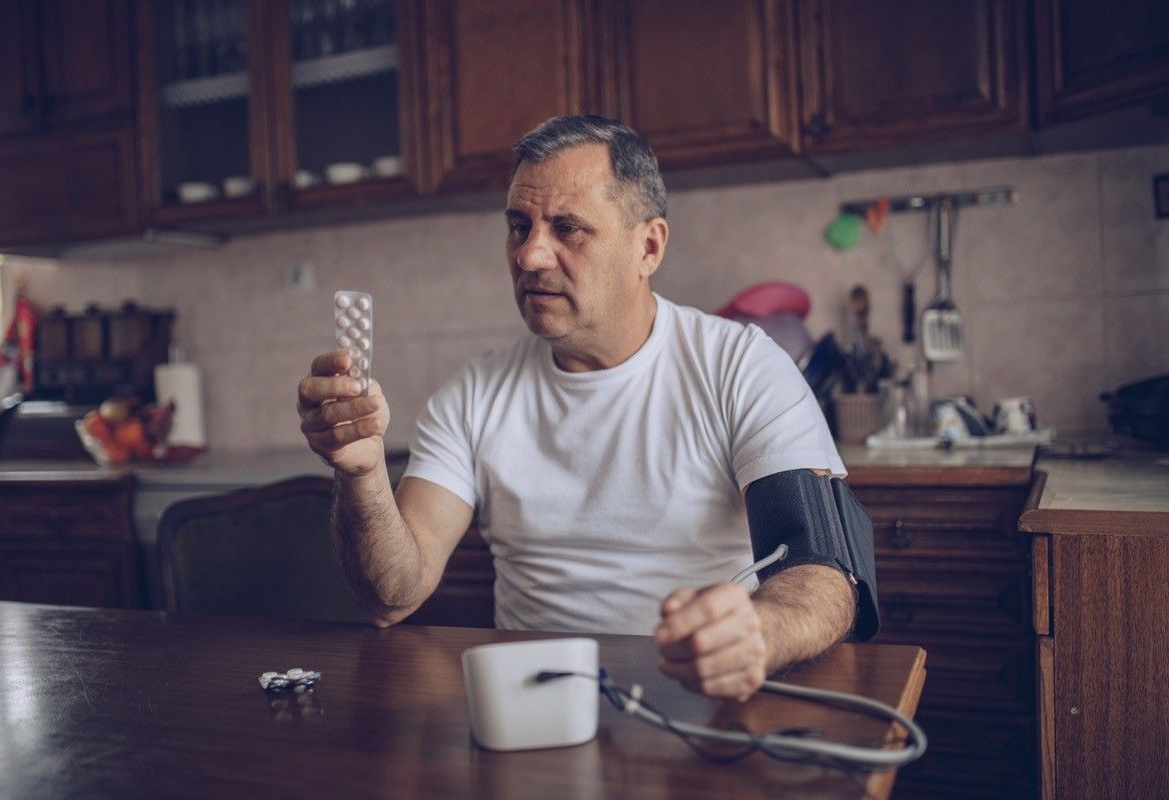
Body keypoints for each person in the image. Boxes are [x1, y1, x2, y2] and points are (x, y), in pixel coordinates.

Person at [297, 115, 877, 701]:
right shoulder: (474, 394)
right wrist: (362, 473)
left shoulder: (742, 367)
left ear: (647, 246)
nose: (529, 256)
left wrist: (760, 631)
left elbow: (825, 570)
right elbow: (390, 596)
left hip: (704, 707)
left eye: (567, 229)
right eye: (519, 226)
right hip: (534, 714)